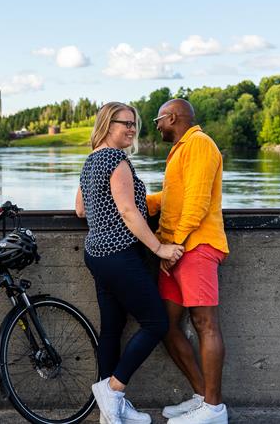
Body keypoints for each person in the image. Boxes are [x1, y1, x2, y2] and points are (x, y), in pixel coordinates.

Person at [76, 101, 184, 424]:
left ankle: (110, 413)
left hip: (96, 254)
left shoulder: (91, 160)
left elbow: (80, 210)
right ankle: (113, 390)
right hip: (119, 255)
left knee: (112, 328)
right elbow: (128, 212)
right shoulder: (115, 160)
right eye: (127, 123)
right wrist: (160, 248)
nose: (133, 129)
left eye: (135, 123)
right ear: (109, 124)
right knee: (156, 323)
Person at [146, 99, 229, 424]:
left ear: (173, 117)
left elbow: (197, 200)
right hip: (175, 250)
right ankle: (201, 396)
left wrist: (175, 245)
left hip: (195, 247)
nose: (156, 125)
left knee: (205, 324)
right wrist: (128, 197)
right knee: (166, 326)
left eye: (158, 120)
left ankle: (214, 409)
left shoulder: (200, 144)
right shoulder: (181, 149)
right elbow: (173, 197)